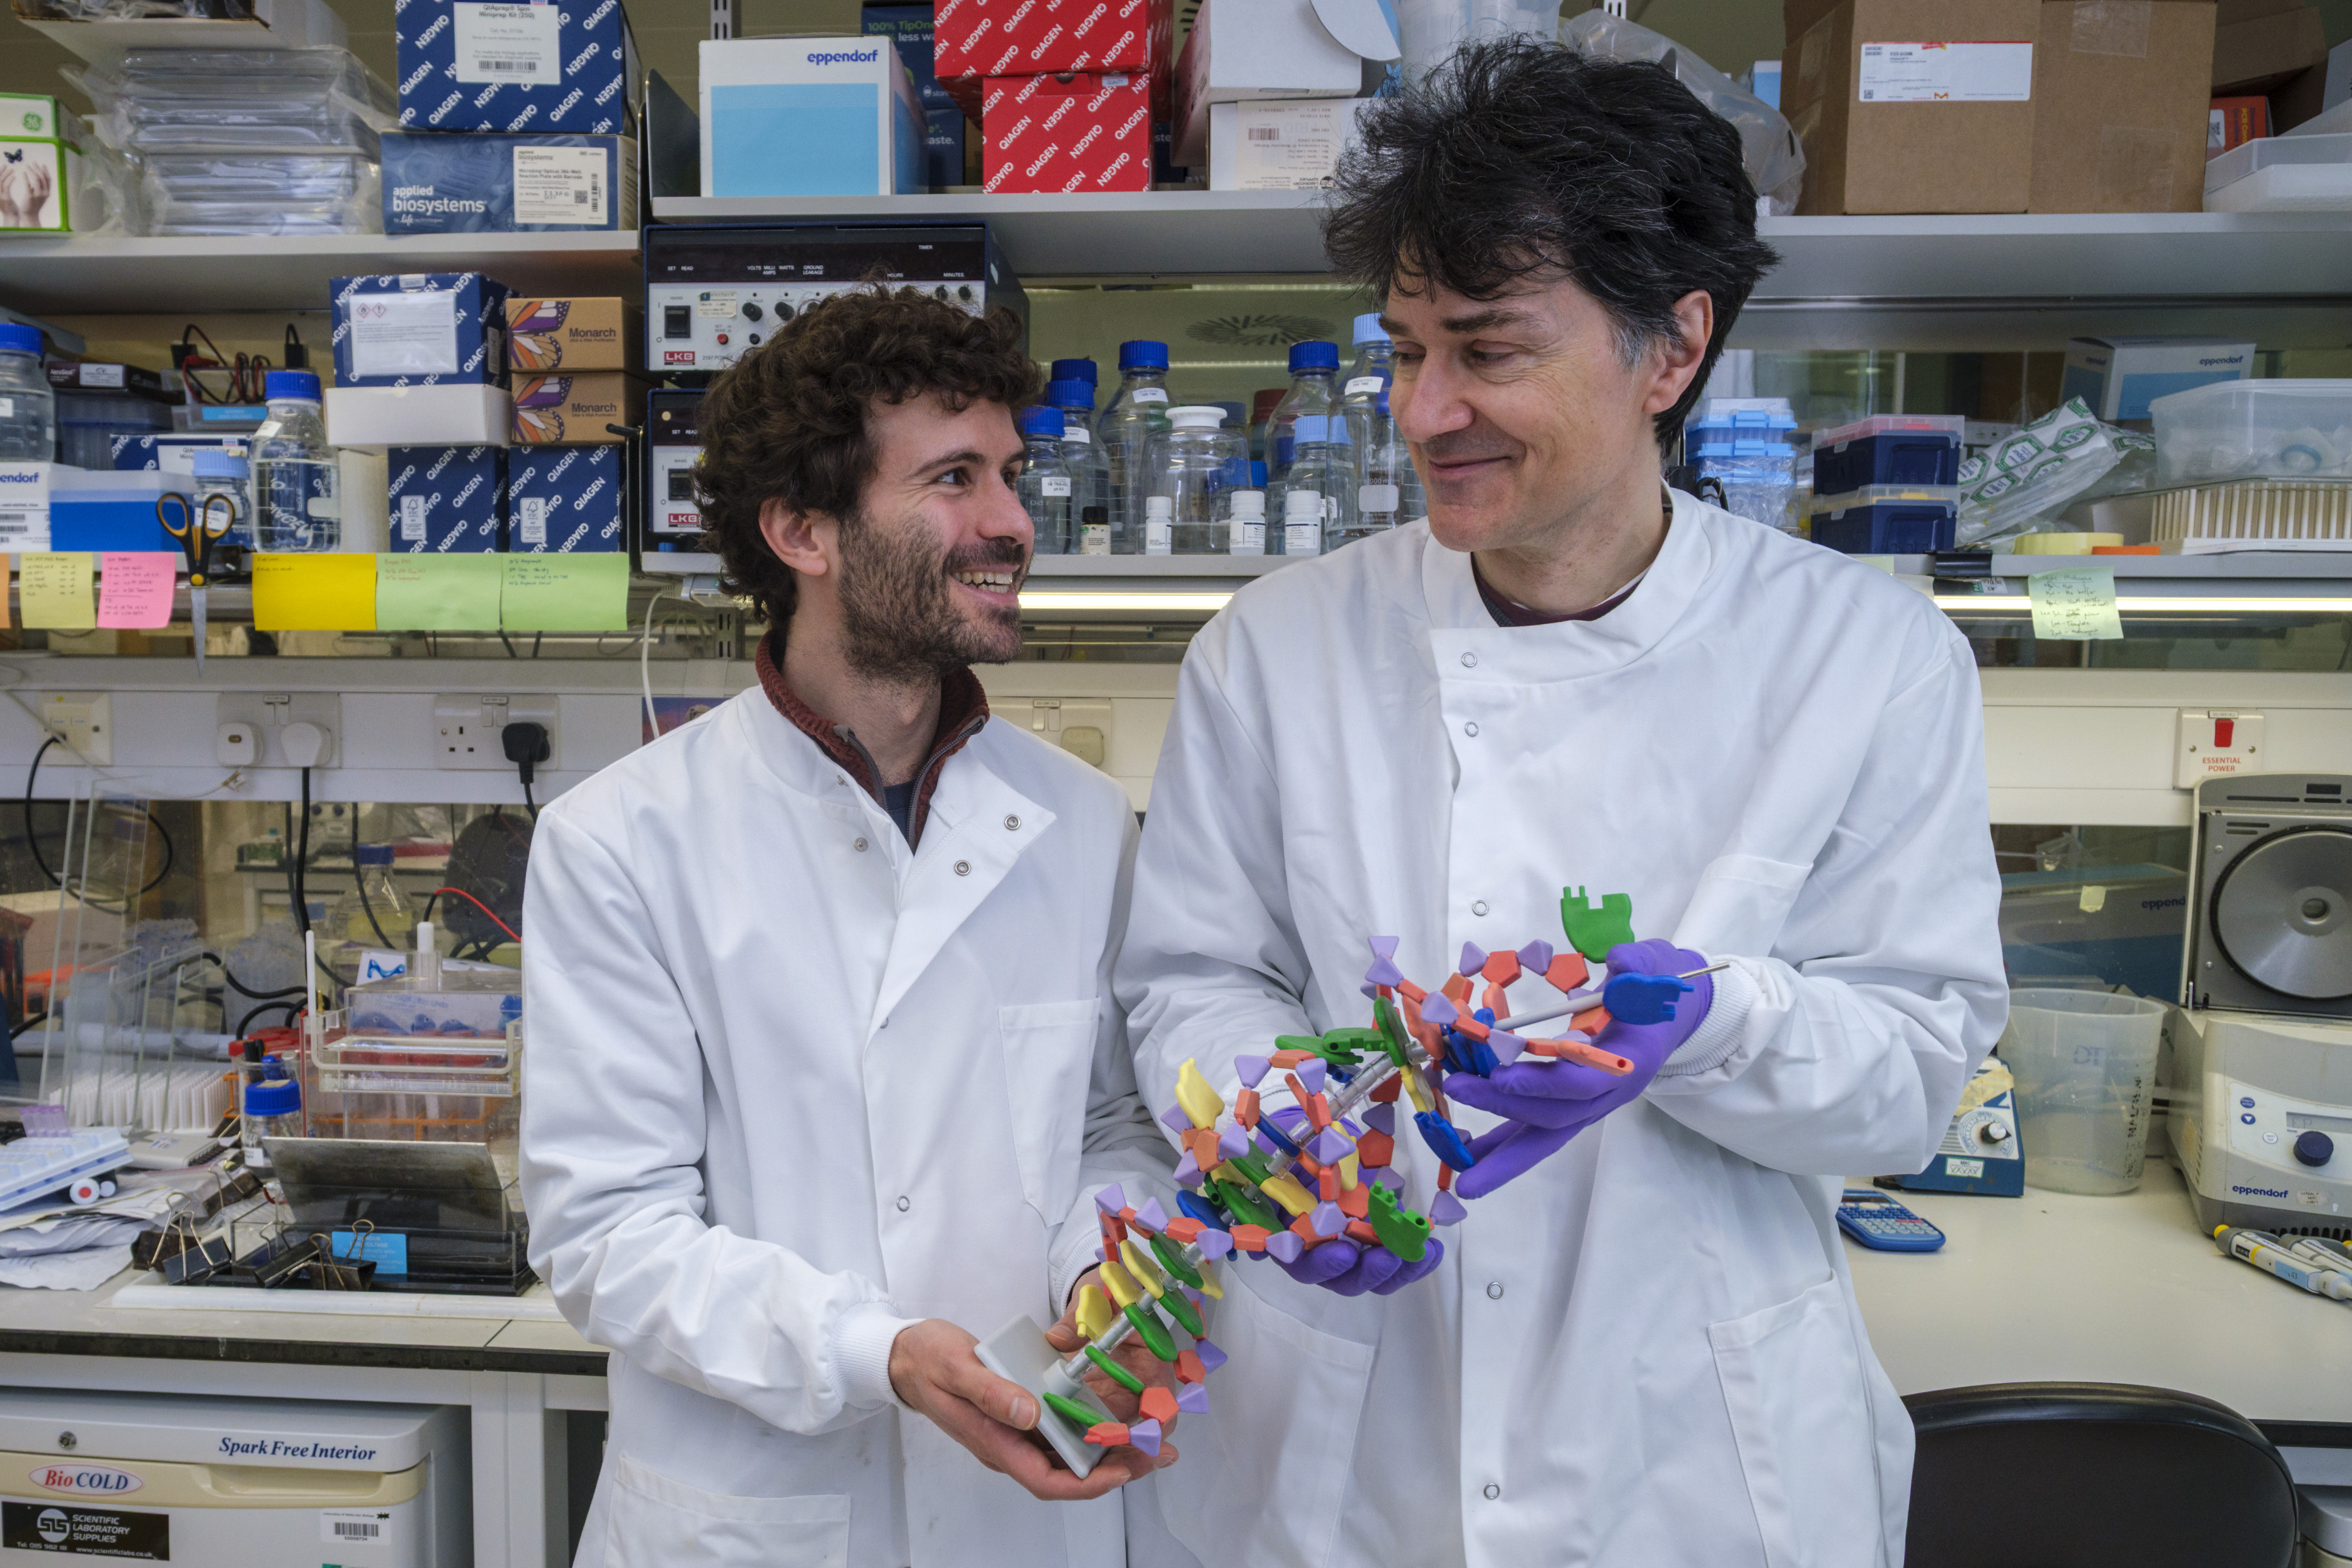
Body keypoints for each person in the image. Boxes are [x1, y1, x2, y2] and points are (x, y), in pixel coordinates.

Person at [1117, 40, 2005, 1568]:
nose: (1423, 408)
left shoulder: (1864, 657)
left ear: (1671, 349)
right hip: (1349, 1447)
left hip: (1689, 1459)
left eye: (1490, 348)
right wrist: (1280, 1123)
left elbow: (1914, 1068)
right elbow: (1194, 978)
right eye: (1403, 348)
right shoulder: (1274, 647)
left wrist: (1715, 1022)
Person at [521, 288, 1178, 1568]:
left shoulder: (1086, 821)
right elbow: (608, 1237)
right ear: (801, 530)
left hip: (1025, 1511)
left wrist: (1117, 1260)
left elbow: (1114, 1122)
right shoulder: (626, 840)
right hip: (755, 1520)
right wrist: (871, 1348)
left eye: (1009, 473)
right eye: (952, 478)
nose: (1010, 523)